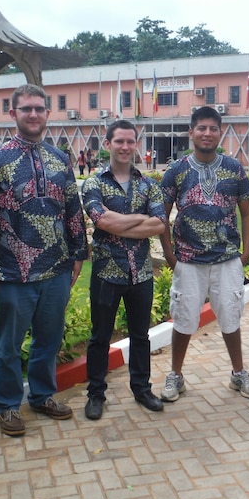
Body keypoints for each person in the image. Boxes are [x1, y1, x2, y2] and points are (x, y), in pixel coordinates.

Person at [0, 84, 88, 437]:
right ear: (13, 114)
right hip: (12, 271)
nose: (33, 114)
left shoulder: (60, 159)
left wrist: (79, 252)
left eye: (39, 108)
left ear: (47, 113)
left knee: (48, 340)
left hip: (56, 268)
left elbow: (72, 209)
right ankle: (7, 406)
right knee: (8, 345)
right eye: (26, 109)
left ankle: (42, 396)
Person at [159, 105, 249, 402]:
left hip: (226, 258)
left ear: (220, 133)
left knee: (231, 317)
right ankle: (176, 376)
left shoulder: (234, 168)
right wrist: (169, 254)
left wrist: (245, 252)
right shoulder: (176, 171)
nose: (207, 133)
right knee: (184, 319)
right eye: (201, 128)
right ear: (191, 133)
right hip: (188, 260)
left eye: (212, 128)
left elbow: (247, 213)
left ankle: (238, 373)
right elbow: (161, 216)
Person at [81, 120, 167, 419]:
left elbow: (159, 224)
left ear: (136, 145)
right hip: (107, 272)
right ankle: (95, 394)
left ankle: (142, 389)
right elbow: (101, 221)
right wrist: (138, 218)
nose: (125, 147)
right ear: (108, 144)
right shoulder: (94, 183)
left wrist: (119, 221)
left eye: (131, 141)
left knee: (141, 335)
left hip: (141, 273)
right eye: (119, 141)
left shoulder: (149, 185)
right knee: (100, 336)